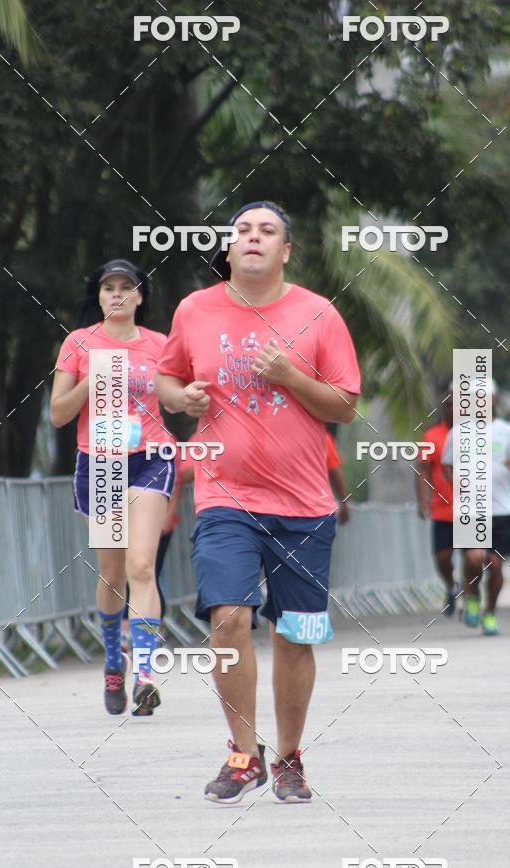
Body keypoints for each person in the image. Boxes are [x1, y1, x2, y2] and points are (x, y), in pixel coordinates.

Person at [156, 201, 361, 803]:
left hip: (303, 503)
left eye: (267, 231)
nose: (252, 238)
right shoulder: (195, 309)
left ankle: (290, 757)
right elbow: (167, 379)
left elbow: (345, 405)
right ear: (228, 248)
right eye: (242, 230)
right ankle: (243, 754)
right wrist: (182, 398)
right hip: (224, 496)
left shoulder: (317, 313)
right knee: (228, 616)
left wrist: (293, 378)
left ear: (285, 251)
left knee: (296, 636)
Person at [50, 259, 173, 716]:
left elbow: (177, 396)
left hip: (150, 458)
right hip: (100, 464)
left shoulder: (161, 346)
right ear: (99, 297)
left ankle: (144, 671)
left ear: (141, 296)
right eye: (108, 288)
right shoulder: (78, 343)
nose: (117, 295)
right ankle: (112, 660)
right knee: (113, 576)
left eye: (127, 287)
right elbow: (58, 414)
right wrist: (91, 380)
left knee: (143, 565)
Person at [441, 380, 510, 636]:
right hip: (470, 509)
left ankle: (490, 613)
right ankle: (473, 597)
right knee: (474, 557)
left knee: (496, 565)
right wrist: (457, 481)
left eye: (485, 396)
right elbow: (446, 465)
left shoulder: (507, 432)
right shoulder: (458, 432)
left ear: (495, 399)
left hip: (501, 509)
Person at [121, 449, 195, 652]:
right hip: (122, 517)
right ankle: (119, 641)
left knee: (145, 573)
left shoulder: (162, 443)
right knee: (119, 576)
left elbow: (178, 477)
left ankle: (144, 640)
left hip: (155, 521)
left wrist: (166, 515)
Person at [415, 390, 458, 615]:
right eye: (449, 405)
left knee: (474, 557)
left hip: (471, 510)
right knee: (442, 557)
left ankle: (472, 596)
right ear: (444, 409)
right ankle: (452, 586)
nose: (453, 409)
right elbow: (422, 470)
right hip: (442, 509)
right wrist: (422, 500)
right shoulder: (432, 436)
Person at [326, 429, 350, 524]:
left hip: (280, 513)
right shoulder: (321, 438)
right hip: (316, 513)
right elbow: (336, 473)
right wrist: (344, 504)